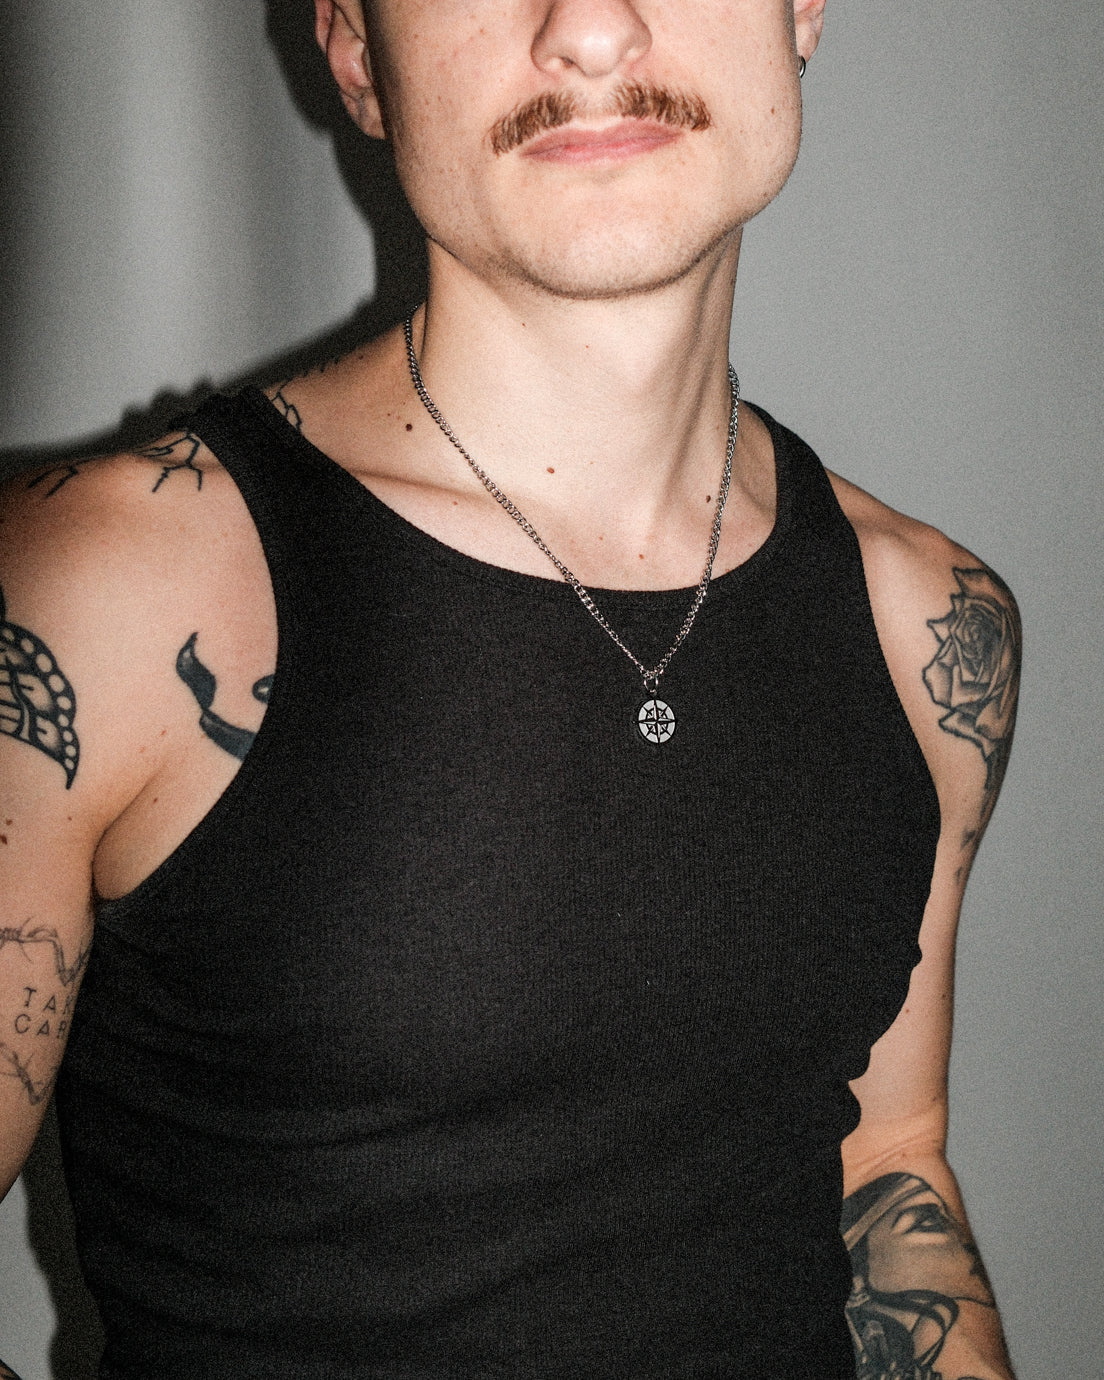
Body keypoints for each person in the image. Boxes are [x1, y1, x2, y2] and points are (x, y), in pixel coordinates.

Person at [0, 1, 1022, 1376]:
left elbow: (890, 1164)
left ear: (802, 8)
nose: (593, 29)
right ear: (357, 53)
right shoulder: (104, 590)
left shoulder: (934, 626)